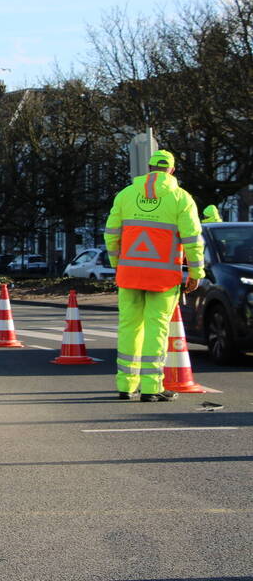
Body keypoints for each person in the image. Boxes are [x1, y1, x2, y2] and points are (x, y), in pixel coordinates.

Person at [104, 149, 204, 402]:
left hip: (130, 275)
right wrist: (195, 272)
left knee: (129, 328)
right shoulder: (181, 198)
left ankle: (126, 386)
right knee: (157, 330)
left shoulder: (126, 195)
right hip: (163, 277)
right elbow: (193, 240)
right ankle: (151, 388)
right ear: (171, 170)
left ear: (148, 169)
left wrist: (118, 263)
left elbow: (111, 234)